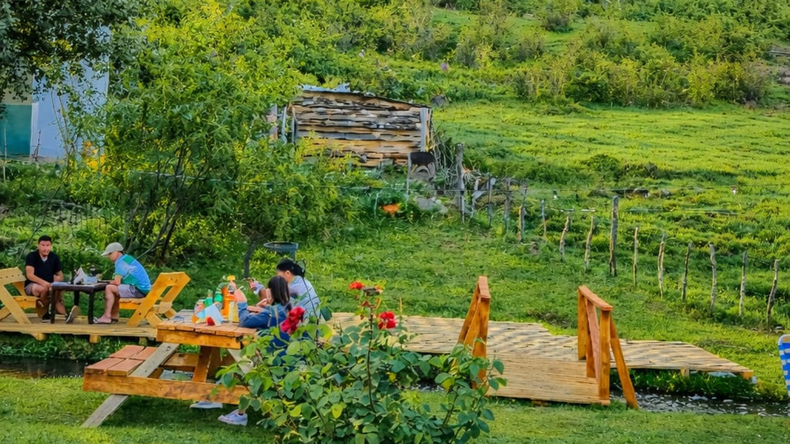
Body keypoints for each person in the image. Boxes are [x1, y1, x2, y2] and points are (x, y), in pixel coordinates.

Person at [215, 276, 293, 426]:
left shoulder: (273, 313)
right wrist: (264, 309)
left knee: (243, 366)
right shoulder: (289, 307)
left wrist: (242, 303)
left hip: (274, 361)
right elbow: (274, 317)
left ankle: (238, 412)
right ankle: (218, 399)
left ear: (272, 292)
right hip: (291, 357)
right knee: (240, 364)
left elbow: (245, 321)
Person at [95, 242, 151, 324]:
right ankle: (114, 316)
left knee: (109, 288)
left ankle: (106, 317)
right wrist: (109, 281)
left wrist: (106, 282)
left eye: (110, 253)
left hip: (138, 290)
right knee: (115, 289)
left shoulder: (120, 263)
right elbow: (121, 281)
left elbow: (117, 282)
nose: (109, 256)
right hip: (144, 289)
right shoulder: (127, 259)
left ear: (117, 252)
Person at [24, 235, 65, 322]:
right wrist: (44, 283)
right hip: (32, 285)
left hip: (49, 284)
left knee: (57, 292)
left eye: (47, 245)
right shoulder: (32, 256)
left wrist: (55, 280)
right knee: (44, 289)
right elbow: (30, 275)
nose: (45, 248)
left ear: (51, 246)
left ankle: (65, 314)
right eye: (43, 245)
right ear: (38, 245)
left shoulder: (54, 257)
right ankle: (45, 312)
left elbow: (60, 276)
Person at [275, 258, 321, 323]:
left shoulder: (291, 288)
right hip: (316, 318)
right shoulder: (303, 281)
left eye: (279, 276)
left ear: (287, 273)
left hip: (305, 324)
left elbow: (283, 310)